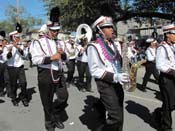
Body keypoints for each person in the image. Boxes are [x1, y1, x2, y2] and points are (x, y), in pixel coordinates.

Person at [87, 16, 129, 131]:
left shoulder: (114, 44)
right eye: (108, 27)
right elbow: (94, 70)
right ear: (100, 30)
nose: (112, 29)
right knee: (116, 118)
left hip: (117, 81)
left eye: (111, 27)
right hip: (105, 83)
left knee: (120, 112)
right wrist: (115, 76)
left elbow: (117, 61)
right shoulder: (93, 46)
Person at [30, 6, 69, 131]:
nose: (55, 32)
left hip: (58, 72)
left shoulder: (60, 42)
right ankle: (49, 123)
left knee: (63, 97)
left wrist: (62, 55)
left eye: (57, 30)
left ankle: (55, 114)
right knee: (46, 100)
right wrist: (52, 57)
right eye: (53, 30)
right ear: (48, 29)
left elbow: (66, 59)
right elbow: (35, 60)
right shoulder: (38, 42)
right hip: (45, 74)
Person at [155, 23, 175, 131]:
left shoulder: (173, 46)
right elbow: (160, 65)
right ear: (168, 35)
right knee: (168, 104)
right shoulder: (162, 47)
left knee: (172, 104)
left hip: (173, 78)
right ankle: (166, 127)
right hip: (167, 79)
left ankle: (160, 112)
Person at [2, 30, 29, 106]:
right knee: (13, 85)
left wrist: (18, 48)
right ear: (13, 38)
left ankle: (24, 98)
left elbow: (25, 56)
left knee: (23, 83)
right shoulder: (7, 46)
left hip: (20, 67)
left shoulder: (21, 45)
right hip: (11, 68)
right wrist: (10, 52)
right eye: (16, 37)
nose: (18, 38)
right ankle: (14, 98)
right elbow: (4, 58)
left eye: (18, 37)